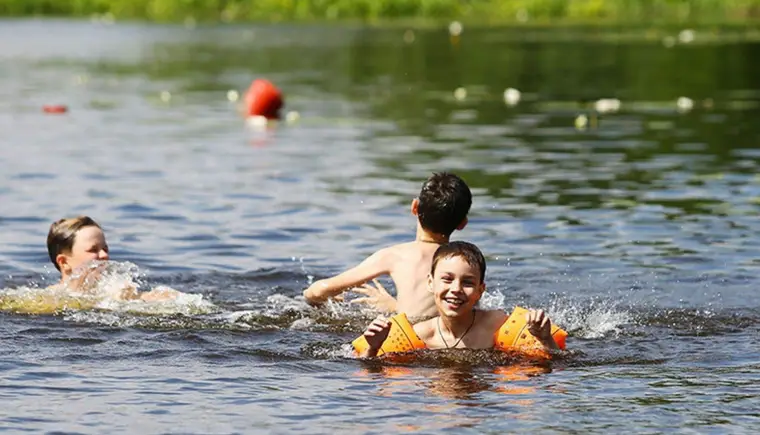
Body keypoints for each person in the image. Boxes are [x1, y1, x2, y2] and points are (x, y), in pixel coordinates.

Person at [303, 172, 472, 319]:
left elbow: (317, 292)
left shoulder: (395, 256)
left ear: (414, 207)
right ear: (462, 223)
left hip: (406, 340)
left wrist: (394, 307)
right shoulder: (466, 263)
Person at [359, 241, 560, 358]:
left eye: (467, 282)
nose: (456, 289)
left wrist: (545, 338)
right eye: (447, 279)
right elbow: (371, 379)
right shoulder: (420, 336)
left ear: (481, 290)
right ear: (431, 283)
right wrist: (373, 347)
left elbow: (554, 365)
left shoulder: (497, 326)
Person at [46, 216, 179, 302]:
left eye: (105, 248)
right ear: (64, 262)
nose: (104, 255)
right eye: (93, 250)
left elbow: (156, 298)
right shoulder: (47, 299)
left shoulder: (116, 290)